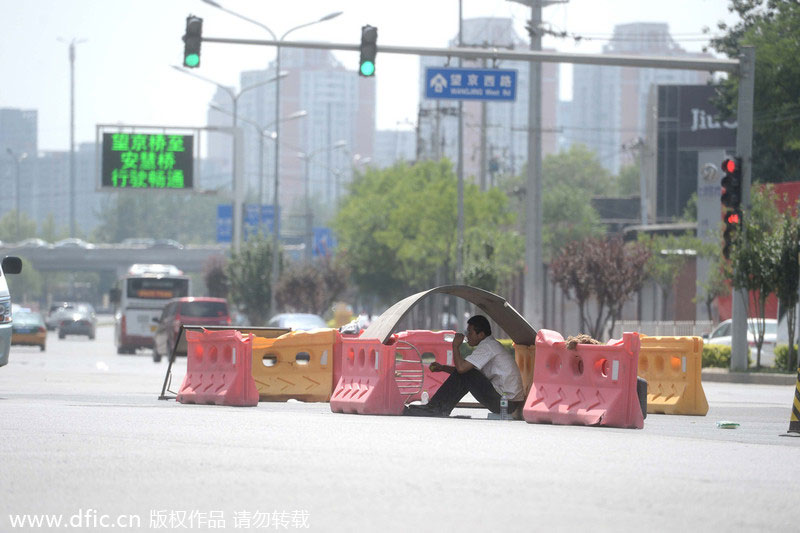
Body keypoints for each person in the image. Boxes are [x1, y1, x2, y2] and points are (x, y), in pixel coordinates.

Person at [404, 314, 525, 417]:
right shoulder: (489, 345)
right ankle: (437, 407)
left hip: (506, 404)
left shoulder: (488, 347)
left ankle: (436, 408)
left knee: (466, 372)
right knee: (467, 373)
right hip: (507, 402)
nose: (467, 336)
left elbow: (462, 370)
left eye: (470, 332)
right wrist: (443, 368)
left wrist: (455, 346)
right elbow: (464, 373)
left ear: (481, 335)